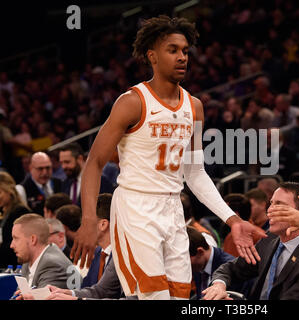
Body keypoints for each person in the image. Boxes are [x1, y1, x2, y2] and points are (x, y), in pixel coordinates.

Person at [71, 15, 266, 300]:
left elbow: (195, 173)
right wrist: (88, 219)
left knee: (180, 299)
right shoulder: (132, 102)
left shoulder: (195, 107)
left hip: (173, 211)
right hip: (136, 208)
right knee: (154, 297)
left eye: (185, 50)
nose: (182, 57)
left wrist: (233, 220)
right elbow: (94, 163)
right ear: (152, 56)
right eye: (172, 50)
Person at [203, 182, 299, 300]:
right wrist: (218, 285)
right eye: (271, 203)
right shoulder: (269, 239)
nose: (269, 210)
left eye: (279, 204)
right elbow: (231, 268)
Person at [10, 213, 80, 288]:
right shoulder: (28, 260)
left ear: (32, 239)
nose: (12, 245)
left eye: (16, 238)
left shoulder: (53, 264)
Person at [187, 226, 235, 299]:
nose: (183, 266)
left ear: (200, 252)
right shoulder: (198, 264)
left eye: (186, 261)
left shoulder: (231, 269)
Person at [81, 193, 113, 288]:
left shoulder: (123, 255)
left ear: (103, 224)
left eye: (85, 222)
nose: (81, 229)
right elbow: (87, 290)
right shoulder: (97, 252)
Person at [0, 172, 31, 268]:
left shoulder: (21, 212)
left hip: (15, 266)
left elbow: (23, 243)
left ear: (9, 190)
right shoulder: (2, 211)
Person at [222, 194, 265, 258]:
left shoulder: (232, 237)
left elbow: (231, 265)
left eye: (224, 211)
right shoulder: (260, 232)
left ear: (235, 214)